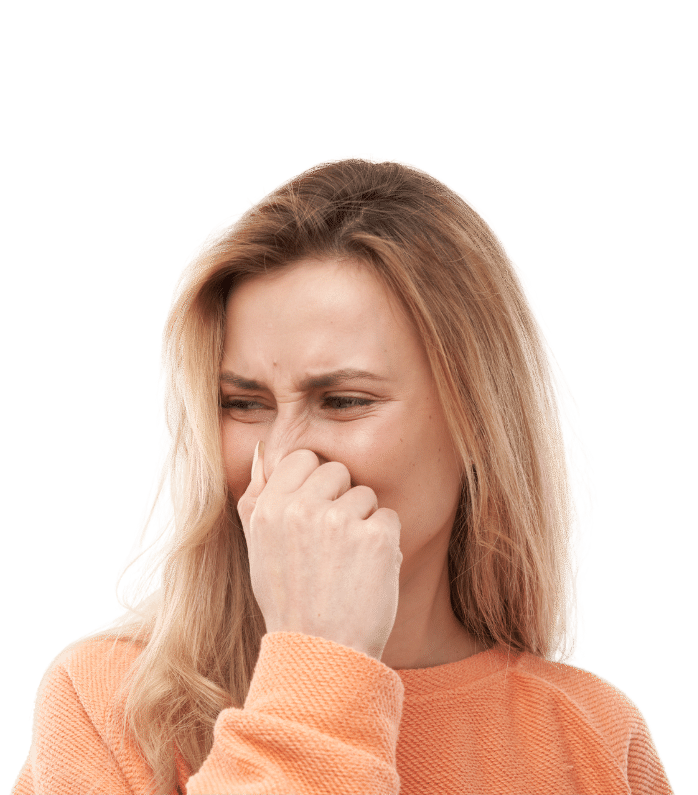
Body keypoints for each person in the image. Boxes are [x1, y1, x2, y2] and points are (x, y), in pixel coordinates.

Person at [10, 154, 675, 795]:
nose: (286, 456)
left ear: (478, 422)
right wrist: (315, 666)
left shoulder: (595, 736)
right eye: (244, 403)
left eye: (344, 400)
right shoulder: (107, 706)